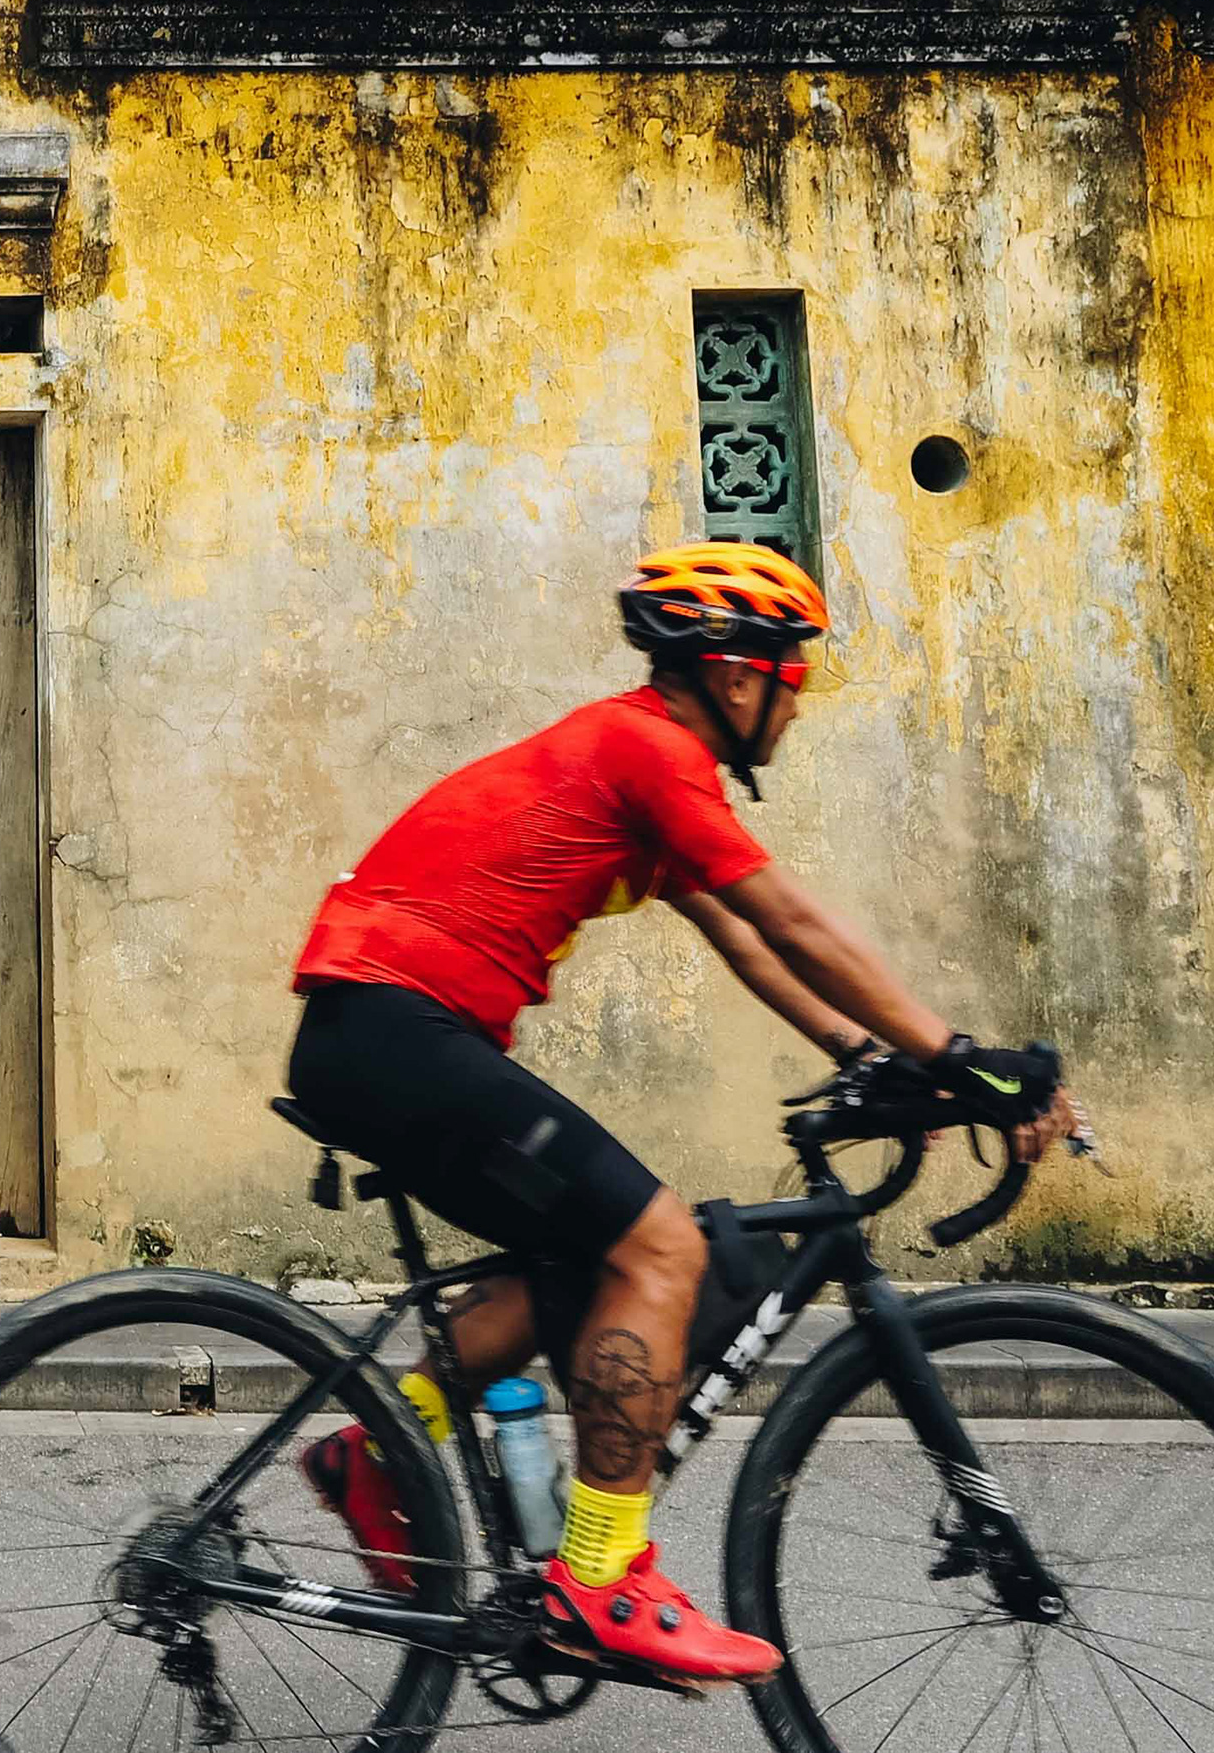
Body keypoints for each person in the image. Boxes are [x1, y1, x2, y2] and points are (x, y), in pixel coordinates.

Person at [279, 541, 1084, 1686]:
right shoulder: (646, 747)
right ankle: (599, 1576)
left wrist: (871, 1059)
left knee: (586, 1260)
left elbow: (749, 941)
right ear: (739, 675)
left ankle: (378, 1452)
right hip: (398, 1030)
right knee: (663, 1245)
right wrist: (962, 1057)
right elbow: (794, 919)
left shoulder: (634, 766)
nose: (794, 711)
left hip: (382, 1034)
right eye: (793, 683)